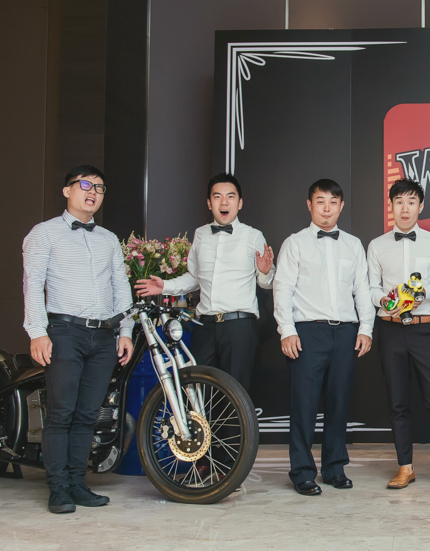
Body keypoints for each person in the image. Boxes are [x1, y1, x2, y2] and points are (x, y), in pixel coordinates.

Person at [22, 165, 135, 513]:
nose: (93, 192)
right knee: (61, 413)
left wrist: (126, 330)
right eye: (85, 184)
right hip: (64, 332)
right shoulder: (44, 233)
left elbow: (121, 287)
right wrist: (37, 332)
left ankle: (77, 484)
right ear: (67, 190)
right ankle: (58, 489)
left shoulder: (108, 239)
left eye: (99, 188)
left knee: (88, 415)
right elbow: (32, 284)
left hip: (103, 336)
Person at [273, 179, 374, 496]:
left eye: (333, 202)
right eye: (320, 202)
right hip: (307, 332)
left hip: (345, 332)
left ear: (341, 206)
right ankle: (302, 472)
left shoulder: (353, 245)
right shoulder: (295, 243)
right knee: (303, 405)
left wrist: (366, 328)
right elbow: (282, 288)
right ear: (309, 205)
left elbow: (362, 289)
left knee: (339, 403)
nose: (327, 208)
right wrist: (287, 330)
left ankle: (334, 468)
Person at [134, 173, 275, 392]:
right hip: (205, 327)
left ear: (240, 203)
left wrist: (265, 272)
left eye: (230, 196)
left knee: (235, 395)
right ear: (209, 203)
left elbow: (267, 283)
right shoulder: (200, 234)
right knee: (198, 392)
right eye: (217, 197)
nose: (224, 202)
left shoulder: (254, 236)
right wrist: (164, 286)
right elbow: (194, 277)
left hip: (238, 327)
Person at [367, 179, 430, 492]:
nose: (404, 208)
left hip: (424, 329)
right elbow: (371, 288)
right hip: (391, 329)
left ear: (421, 206)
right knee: (398, 402)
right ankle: (405, 467)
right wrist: (386, 300)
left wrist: (419, 294)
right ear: (391, 206)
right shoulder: (377, 245)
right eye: (399, 202)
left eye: (411, 202)